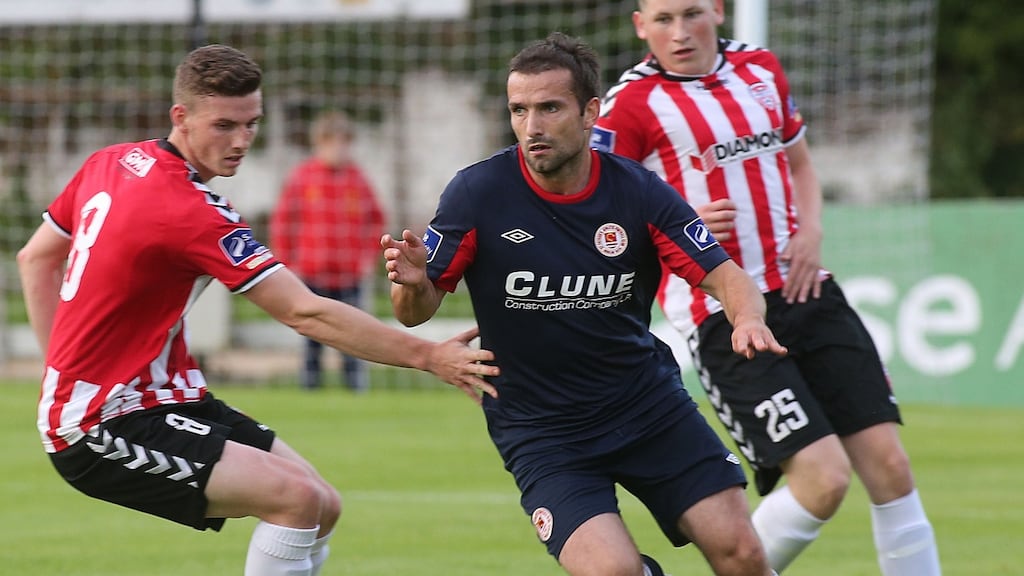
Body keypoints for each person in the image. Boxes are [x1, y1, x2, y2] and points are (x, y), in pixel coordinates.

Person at [16, 44, 498, 576]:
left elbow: (35, 257)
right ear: (181, 117)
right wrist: (428, 356)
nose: (242, 140)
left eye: (252, 124)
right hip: (101, 422)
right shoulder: (191, 212)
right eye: (225, 125)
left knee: (322, 505)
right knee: (295, 501)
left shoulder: (108, 162)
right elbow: (305, 313)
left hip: (166, 398)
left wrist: (58, 372)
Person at [383, 32, 786, 576]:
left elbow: (725, 276)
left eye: (549, 108)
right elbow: (415, 311)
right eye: (519, 110)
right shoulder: (477, 194)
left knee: (743, 552)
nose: (533, 126)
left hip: (646, 408)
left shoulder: (637, 192)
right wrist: (411, 282)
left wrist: (748, 318)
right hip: (542, 430)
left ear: (590, 110)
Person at [591, 1, 943, 574]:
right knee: (824, 479)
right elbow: (601, 219)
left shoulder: (760, 70)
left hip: (808, 293)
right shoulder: (630, 105)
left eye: (692, 14)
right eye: (662, 20)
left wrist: (812, 232)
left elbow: (800, 167)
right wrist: (684, 220)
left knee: (890, 465)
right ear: (640, 26)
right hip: (723, 316)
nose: (679, 33)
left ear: (720, 11)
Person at [270, 110, 386, 392]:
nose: (339, 150)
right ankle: (310, 389)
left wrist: (367, 257)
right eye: (332, 143)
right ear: (319, 144)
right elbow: (284, 221)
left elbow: (376, 220)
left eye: (344, 143)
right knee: (312, 336)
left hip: (348, 275)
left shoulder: (357, 180)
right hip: (312, 273)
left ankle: (356, 389)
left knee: (353, 335)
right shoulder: (303, 178)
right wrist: (286, 261)